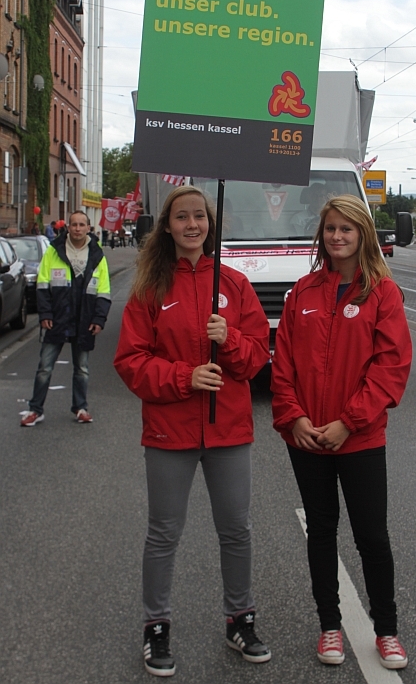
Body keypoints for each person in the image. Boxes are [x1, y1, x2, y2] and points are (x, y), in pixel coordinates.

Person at [114, 186, 271, 677]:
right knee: (163, 533)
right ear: (168, 226)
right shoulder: (150, 288)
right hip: (170, 432)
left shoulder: (235, 284)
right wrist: (186, 377)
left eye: (199, 216)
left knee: (236, 530)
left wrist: (231, 339)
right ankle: (156, 626)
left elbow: (256, 358)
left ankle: (240, 620)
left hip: (228, 431)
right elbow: (130, 362)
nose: (192, 225)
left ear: (210, 223)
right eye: (181, 217)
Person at [271, 195, 412, 671]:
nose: (337, 236)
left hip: (360, 438)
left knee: (372, 536)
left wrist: (349, 422)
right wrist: (294, 418)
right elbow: (283, 363)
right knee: (321, 532)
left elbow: (391, 367)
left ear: (362, 235)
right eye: (330, 228)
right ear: (322, 234)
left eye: (346, 229)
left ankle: (386, 631)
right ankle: (329, 625)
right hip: (307, 437)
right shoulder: (303, 292)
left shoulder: (382, 293)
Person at [20, 211, 111, 427]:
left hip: (84, 319)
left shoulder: (97, 255)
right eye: (74, 224)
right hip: (57, 318)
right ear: (68, 227)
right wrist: (45, 314)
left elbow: (104, 290)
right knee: (45, 367)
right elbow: (43, 285)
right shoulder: (54, 251)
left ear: (88, 228)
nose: (77, 228)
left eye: (81, 225)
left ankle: (80, 408)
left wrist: (99, 319)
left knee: (82, 368)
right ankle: (35, 410)